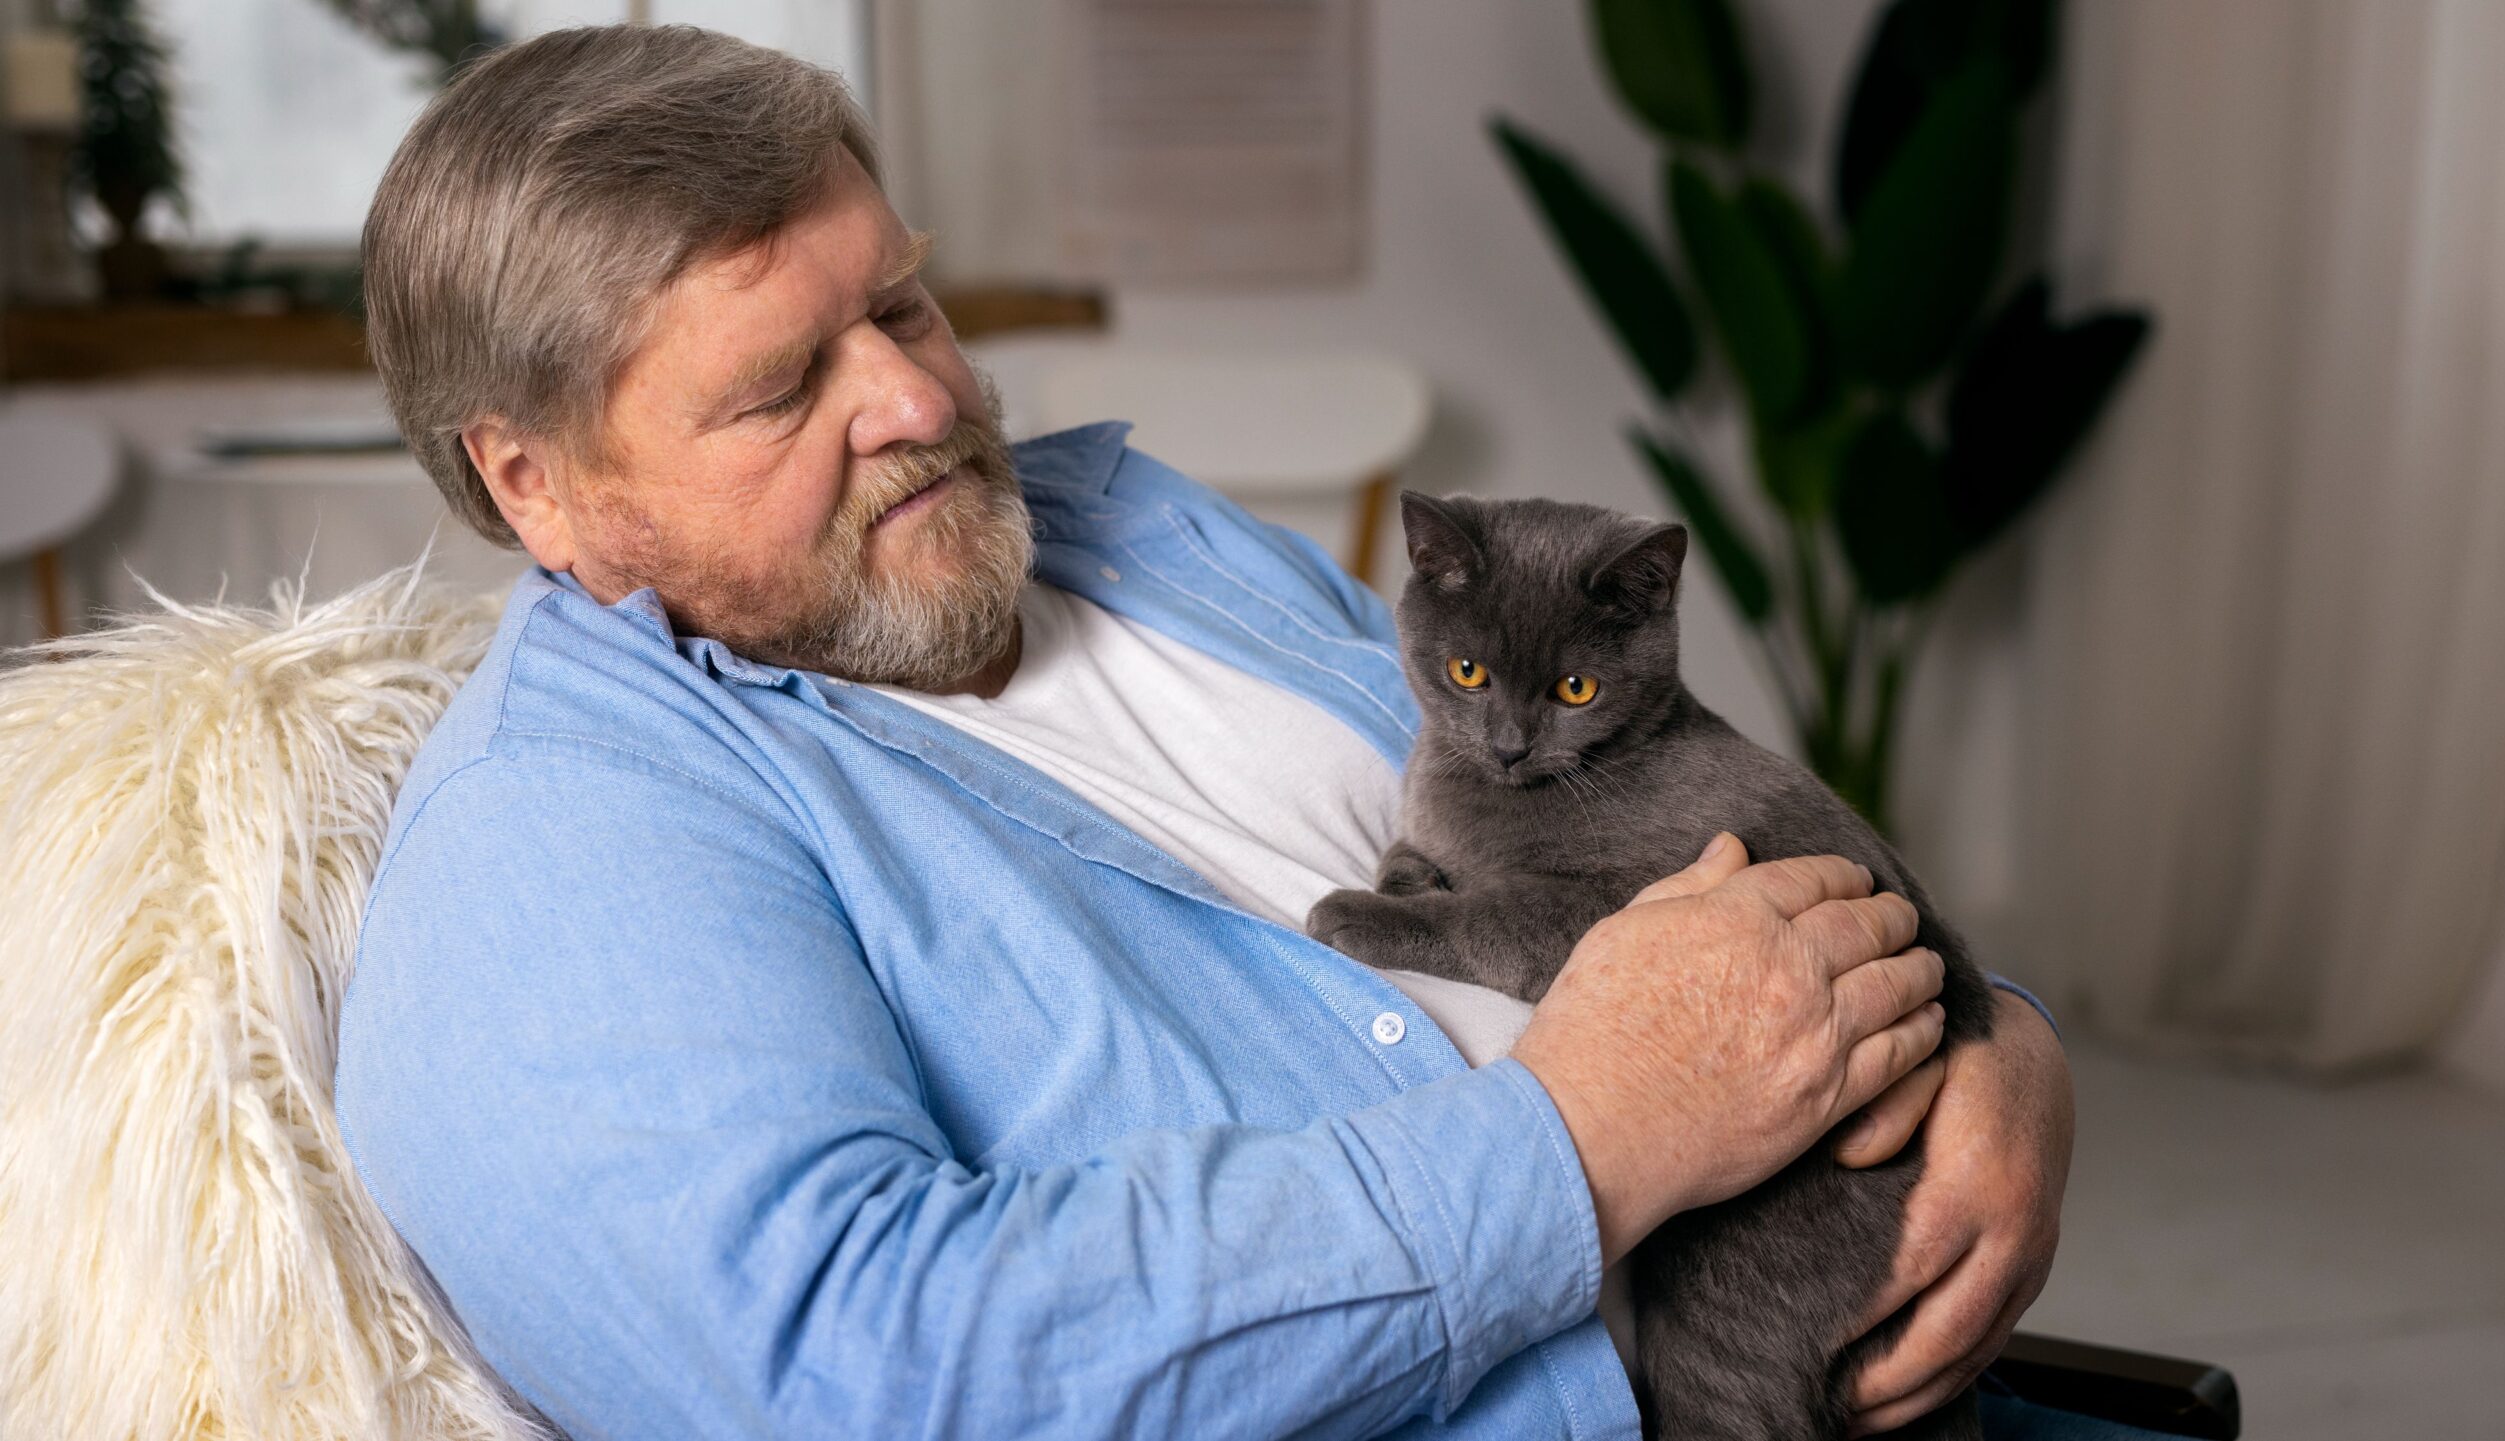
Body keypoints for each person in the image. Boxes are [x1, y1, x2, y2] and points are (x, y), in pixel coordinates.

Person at [337, 24, 2129, 1441]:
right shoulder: (555, 844)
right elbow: (867, 1373)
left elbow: (1660, 789)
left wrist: (2002, 1042)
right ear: (534, 481)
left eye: (899, 303)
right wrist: (1589, 1137)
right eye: (781, 386)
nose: (915, 398)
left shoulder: (1129, 529)